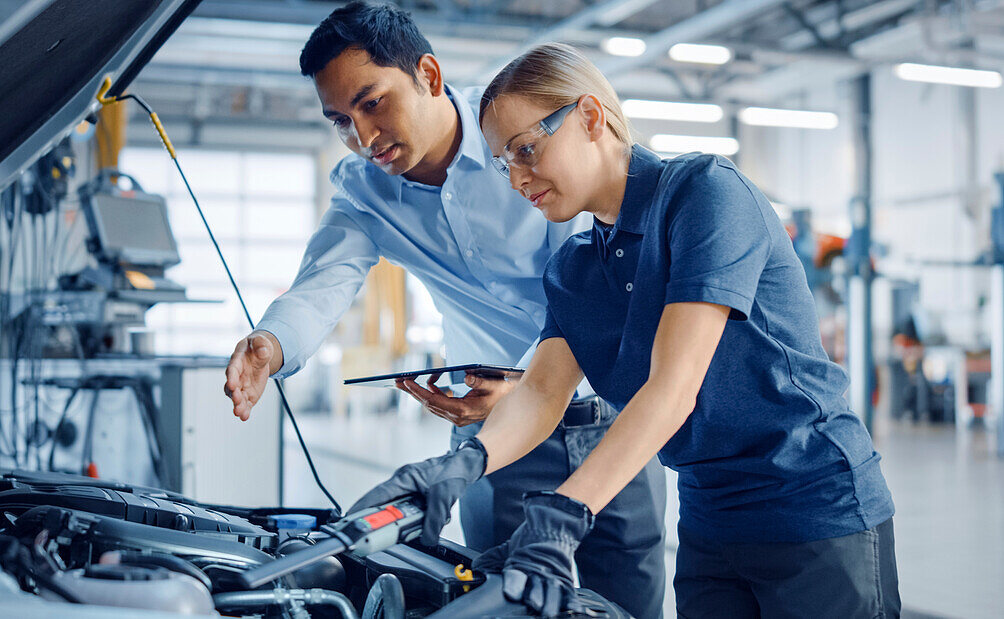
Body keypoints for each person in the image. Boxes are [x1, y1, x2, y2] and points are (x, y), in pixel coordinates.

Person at [352, 42, 900, 618]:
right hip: (710, 520)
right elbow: (541, 393)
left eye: (526, 149)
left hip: (811, 507)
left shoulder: (704, 195)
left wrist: (564, 513)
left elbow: (671, 389)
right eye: (502, 162)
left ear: (590, 117)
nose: (516, 178)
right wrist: (459, 465)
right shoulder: (577, 266)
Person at [222, 5, 667, 617]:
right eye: (340, 121)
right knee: (502, 603)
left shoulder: (527, 140)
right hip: (493, 437)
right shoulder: (365, 189)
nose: (363, 137)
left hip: (608, 418)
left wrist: (528, 383)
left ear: (428, 74)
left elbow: (588, 284)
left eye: (372, 102)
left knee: (627, 604)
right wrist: (271, 342)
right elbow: (326, 278)